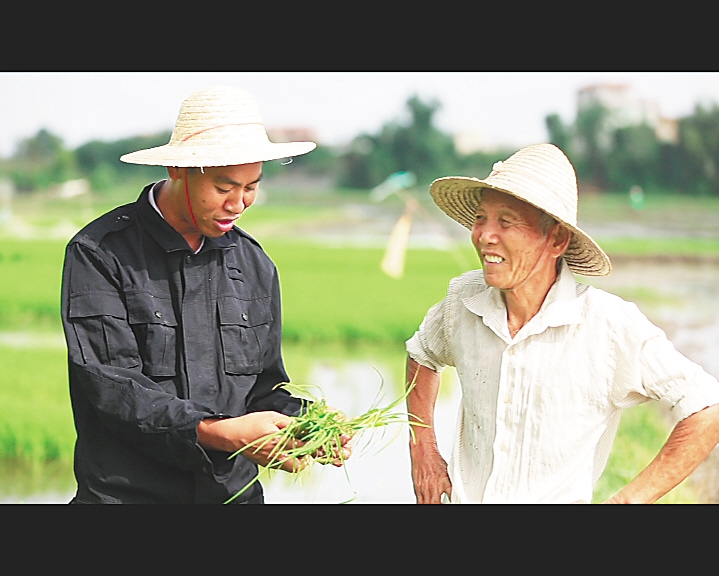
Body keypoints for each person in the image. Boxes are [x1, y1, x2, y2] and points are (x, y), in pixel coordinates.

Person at [61, 85, 349, 504]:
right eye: (224, 187)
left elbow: (261, 390)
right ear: (179, 170)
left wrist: (305, 424)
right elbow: (113, 389)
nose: (239, 203)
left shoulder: (254, 264)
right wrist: (219, 434)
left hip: (234, 498)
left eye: (251, 187)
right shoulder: (101, 253)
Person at [405, 143, 719, 504]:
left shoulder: (607, 325)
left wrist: (627, 501)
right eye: (480, 218)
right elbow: (422, 354)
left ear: (556, 238)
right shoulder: (463, 300)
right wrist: (423, 451)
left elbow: (706, 408)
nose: (484, 235)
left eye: (505, 222)